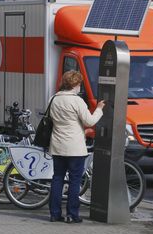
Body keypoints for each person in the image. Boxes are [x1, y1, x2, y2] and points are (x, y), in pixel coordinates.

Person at [48, 70, 105, 223]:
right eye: (79, 84)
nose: (80, 86)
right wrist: (99, 108)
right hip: (74, 147)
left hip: (58, 146)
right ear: (75, 84)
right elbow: (90, 121)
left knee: (57, 179)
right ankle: (73, 214)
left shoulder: (53, 99)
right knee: (74, 181)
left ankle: (54, 213)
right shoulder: (77, 101)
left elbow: (58, 121)